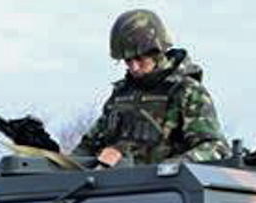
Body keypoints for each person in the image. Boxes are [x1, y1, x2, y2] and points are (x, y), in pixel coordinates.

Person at [73, 9, 230, 167]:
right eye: (128, 61)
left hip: (167, 181)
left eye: (140, 59)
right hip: (117, 181)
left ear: (157, 52)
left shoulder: (186, 91)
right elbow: (86, 147)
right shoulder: (121, 95)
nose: (134, 67)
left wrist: (166, 168)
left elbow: (215, 148)